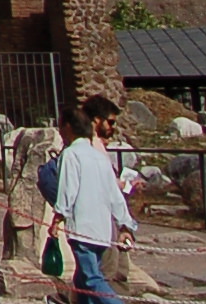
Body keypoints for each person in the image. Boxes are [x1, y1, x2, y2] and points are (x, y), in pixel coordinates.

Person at [51, 96, 138, 302]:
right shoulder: (99, 157)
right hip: (102, 231)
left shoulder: (71, 154)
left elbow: (67, 189)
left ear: (69, 127)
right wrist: (125, 223)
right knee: (82, 282)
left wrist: (59, 217)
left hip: (83, 230)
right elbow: (114, 195)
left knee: (92, 279)